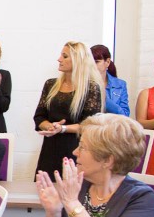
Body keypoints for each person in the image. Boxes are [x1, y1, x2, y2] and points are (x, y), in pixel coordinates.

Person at [34, 113, 154, 217]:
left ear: (108, 160)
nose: (75, 152)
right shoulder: (80, 186)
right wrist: (53, 213)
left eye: (82, 147)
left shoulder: (141, 198)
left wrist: (71, 203)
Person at [33, 41, 103, 179]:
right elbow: (39, 117)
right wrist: (50, 127)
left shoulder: (91, 88)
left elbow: (89, 125)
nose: (59, 59)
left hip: (75, 148)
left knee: (70, 186)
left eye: (65, 56)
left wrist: (62, 128)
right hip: (50, 148)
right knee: (45, 185)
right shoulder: (50, 84)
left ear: (78, 61)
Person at [91, 44, 129, 116]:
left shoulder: (120, 85)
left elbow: (125, 115)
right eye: (90, 62)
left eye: (96, 62)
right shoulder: (83, 84)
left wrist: (104, 98)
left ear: (107, 62)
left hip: (113, 123)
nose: (92, 65)